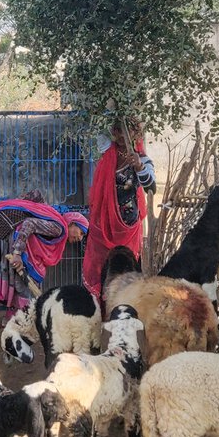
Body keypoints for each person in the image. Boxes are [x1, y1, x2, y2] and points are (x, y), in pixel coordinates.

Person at [82, 118, 155, 307]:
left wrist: (139, 167)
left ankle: (123, 309)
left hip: (127, 226)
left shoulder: (142, 160)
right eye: (118, 131)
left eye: (128, 131)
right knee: (100, 268)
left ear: (136, 134)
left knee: (125, 269)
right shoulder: (107, 151)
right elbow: (97, 124)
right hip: (103, 224)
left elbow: (150, 187)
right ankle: (99, 311)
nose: (122, 136)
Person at [0, 196, 89, 322]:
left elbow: (35, 198)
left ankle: (12, 322)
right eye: (81, 232)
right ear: (71, 223)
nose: (80, 238)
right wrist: (17, 253)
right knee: (25, 288)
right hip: (10, 236)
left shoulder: (54, 219)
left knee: (21, 285)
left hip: (5, 231)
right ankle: (21, 323)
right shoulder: (58, 228)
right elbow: (29, 223)